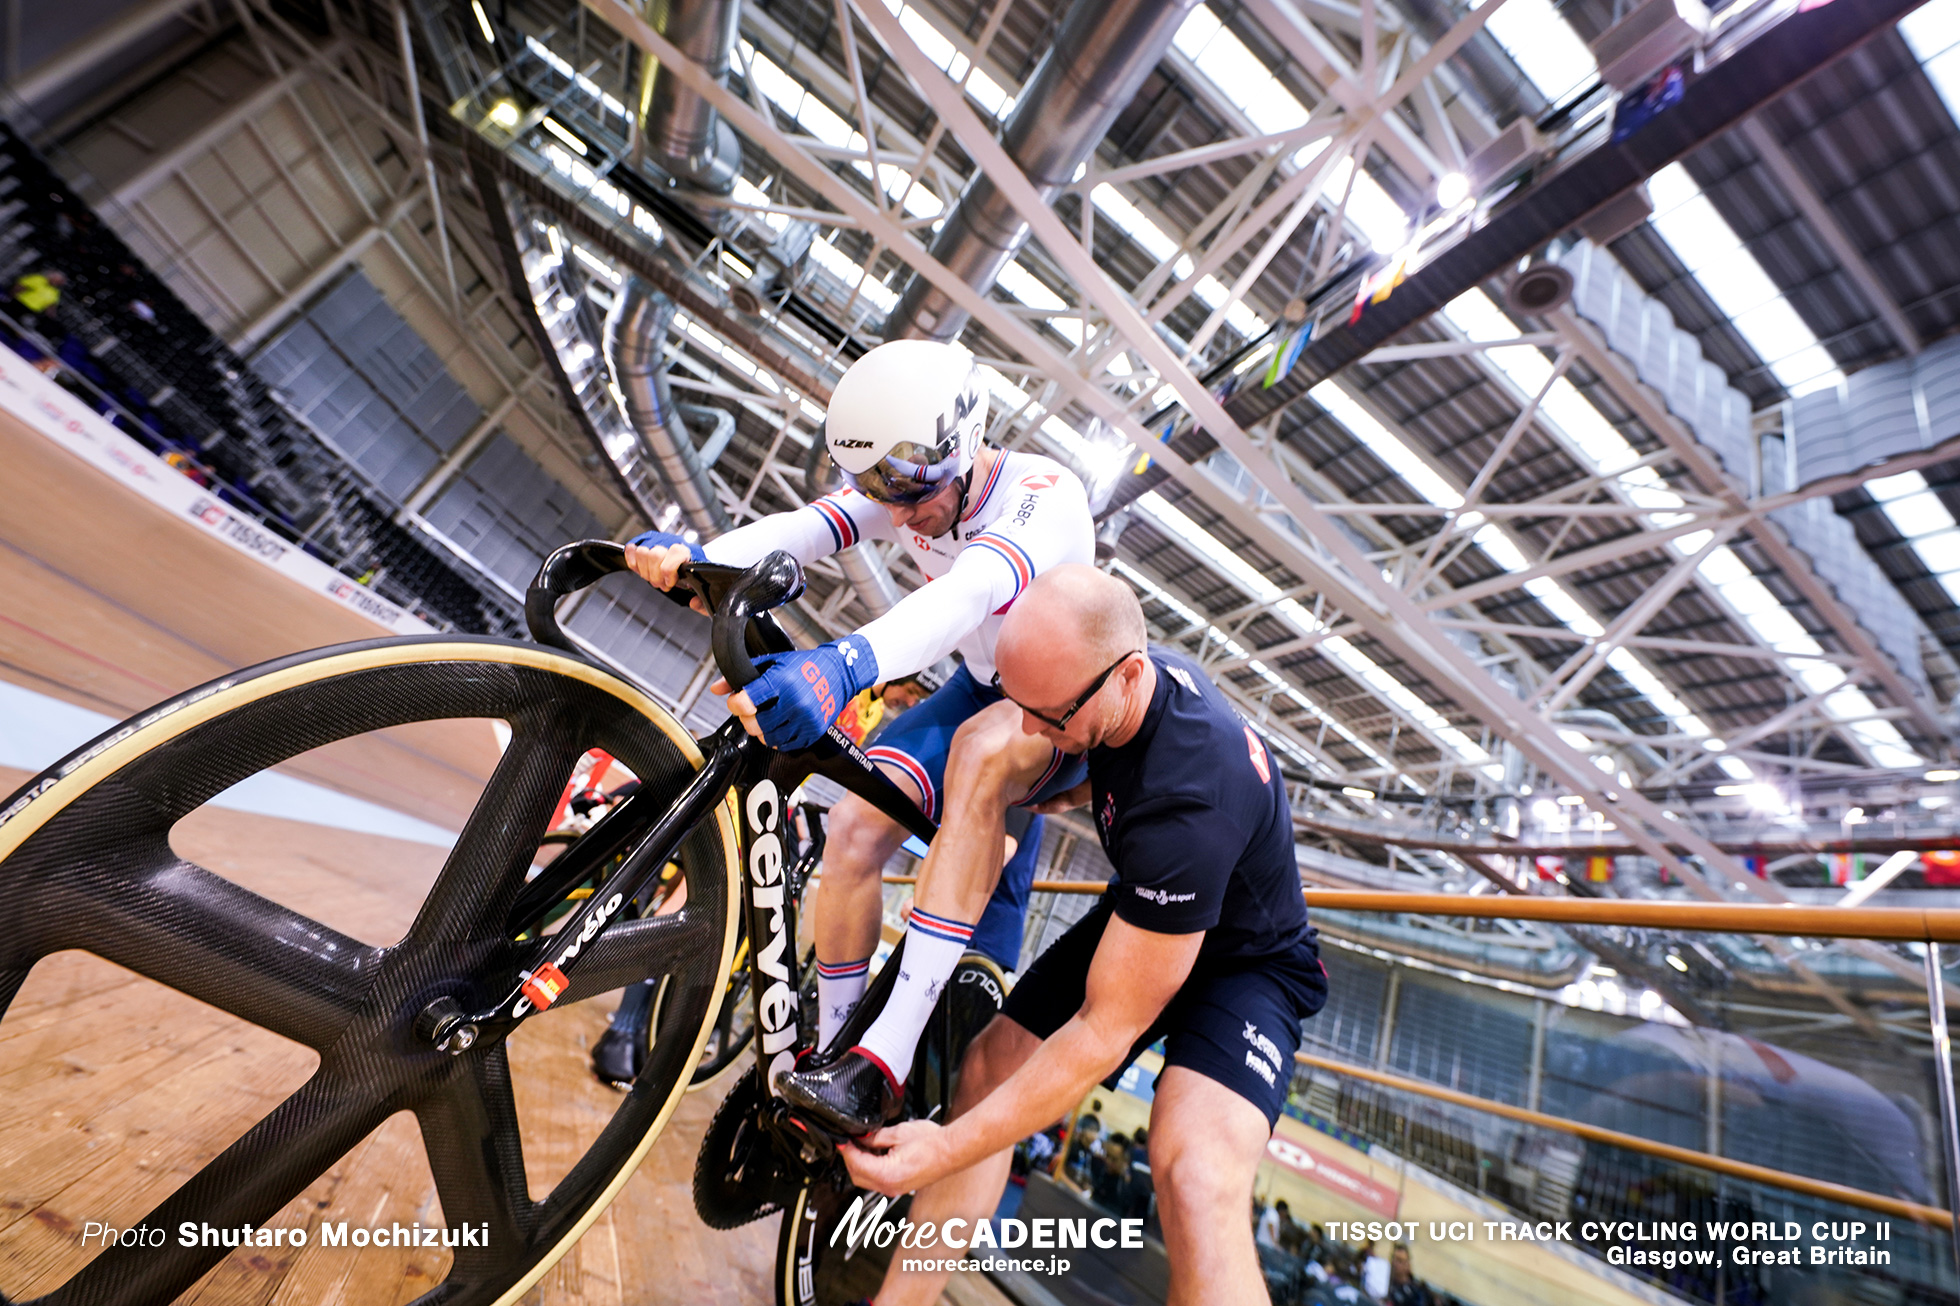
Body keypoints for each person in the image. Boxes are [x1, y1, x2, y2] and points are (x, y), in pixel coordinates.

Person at [612, 339, 1093, 1103]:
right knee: (852, 831)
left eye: (914, 494)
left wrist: (843, 666)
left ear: (965, 442)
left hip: (1062, 715)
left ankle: (884, 1062)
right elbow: (809, 528)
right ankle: (835, 1047)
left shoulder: (1042, 493)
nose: (903, 514)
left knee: (980, 761)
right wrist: (699, 557)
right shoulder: (912, 474)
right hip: (977, 686)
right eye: (885, 495)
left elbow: (967, 595)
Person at [842, 565, 1329, 1306]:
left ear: (1127, 676)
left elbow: (1103, 1033)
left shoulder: (1189, 804)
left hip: (1247, 967)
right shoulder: (1121, 685)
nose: (1035, 728)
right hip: (1152, 912)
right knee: (988, 1069)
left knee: (1194, 1177)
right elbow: (1077, 775)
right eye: (1023, 704)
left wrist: (938, 1150)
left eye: (1052, 715)